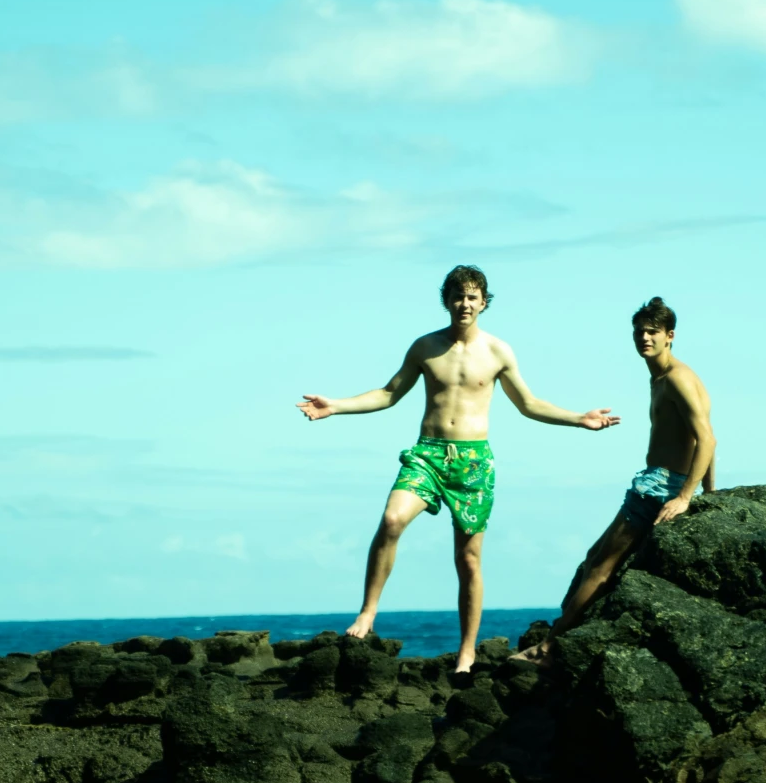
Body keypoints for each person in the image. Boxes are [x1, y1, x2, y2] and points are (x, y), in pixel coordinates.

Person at [297, 265, 619, 674]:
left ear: (484, 302)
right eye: (457, 296)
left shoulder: (499, 352)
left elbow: (529, 404)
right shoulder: (425, 347)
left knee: (468, 560)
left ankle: (466, 653)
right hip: (428, 455)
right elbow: (389, 393)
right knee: (392, 520)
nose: (464, 304)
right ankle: (368, 612)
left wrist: (579, 418)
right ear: (446, 300)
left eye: (472, 297)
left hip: (473, 463)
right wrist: (335, 405)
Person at [523, 297, 714, 660]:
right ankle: (565, 634)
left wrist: (687, 497)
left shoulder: (678, 379)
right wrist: (710, 491)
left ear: (669, 336)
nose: (644, 338)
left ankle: (548, 649)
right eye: (639, 331)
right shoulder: (662, 377)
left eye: (652, 332)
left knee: (599, 568)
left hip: (660, 486)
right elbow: (701, 438)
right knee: (593, 556)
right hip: (659, 480)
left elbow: (708, 439)